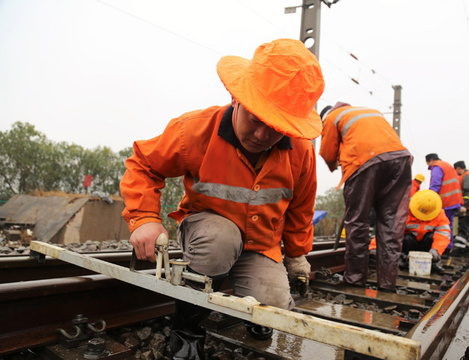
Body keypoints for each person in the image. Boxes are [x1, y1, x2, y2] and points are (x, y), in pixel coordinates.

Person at [119, 38, 325, 357]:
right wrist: (143, 218)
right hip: (210, 229)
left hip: (262, 245)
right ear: (236, 97)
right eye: (256, 119)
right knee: (219, 242)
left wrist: (297, 256)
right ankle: (187, 329)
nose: (261, 135)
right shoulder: (195, 131)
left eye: (276, 128)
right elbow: (144, 162)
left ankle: (255, 303)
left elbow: (301, 208)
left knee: (275, 308)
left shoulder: (301, 153)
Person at [319, 102, 412, 292]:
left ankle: (355, 279)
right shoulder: (370, 110)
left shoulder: (331, 117)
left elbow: (328, 152)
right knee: (390, 225)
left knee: (357, 223)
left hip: (365, 162)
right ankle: (387, 284)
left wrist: (336, 165)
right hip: (400, 161)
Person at [369, 190, 451, 275]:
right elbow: (389, 232)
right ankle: (404, 260)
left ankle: (433, 262)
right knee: (407, 239)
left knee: (431, 237)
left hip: (428, 250)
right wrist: (374, 248)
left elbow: (443, 235)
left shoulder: (440, 215)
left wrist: (435, 251)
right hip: (410, 245)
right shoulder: (404, 212)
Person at [425, 153, 463, 252]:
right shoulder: (448, 165)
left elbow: (435, 185)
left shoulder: (437, 167)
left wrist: (429, 199)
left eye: (429, 165)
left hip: (445, 201)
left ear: (431, 161)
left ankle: (442, 248)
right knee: (448, 225)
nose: (430, 167)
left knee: (442, 226)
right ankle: (448, 246)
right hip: (454, 201)